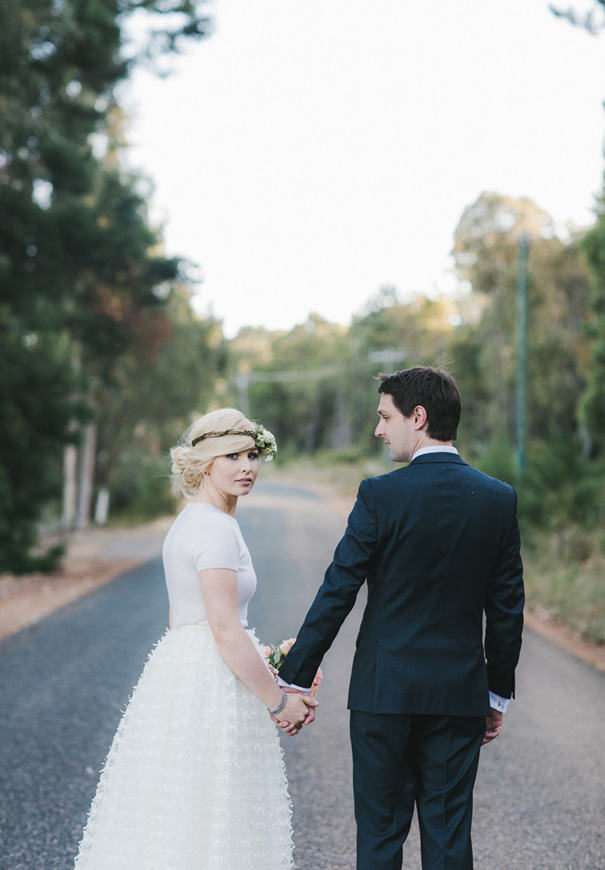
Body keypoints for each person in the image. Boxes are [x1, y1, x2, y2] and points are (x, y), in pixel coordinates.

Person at [278, 366, 524, 870]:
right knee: (449, 835)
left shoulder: (380, 496)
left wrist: (294, 678)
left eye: (385, 416)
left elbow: (337, 590)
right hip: (459, 696)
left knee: (381, 835)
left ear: (419, 417)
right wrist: (495, 693)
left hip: (382, 695)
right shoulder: (498, 499)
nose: (378, 430)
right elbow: (506, 608)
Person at [73, 408, 316, 870]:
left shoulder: (191, 519)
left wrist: (262, 665)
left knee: (182, 807)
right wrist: (278, 701)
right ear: (206, 462)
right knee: (215, 806)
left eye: (252, 454)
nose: (247, 467)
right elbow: (225, 629)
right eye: (232, 456)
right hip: (211, 676)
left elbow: (180, 615)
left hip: (181, 671)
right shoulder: (214, 526)